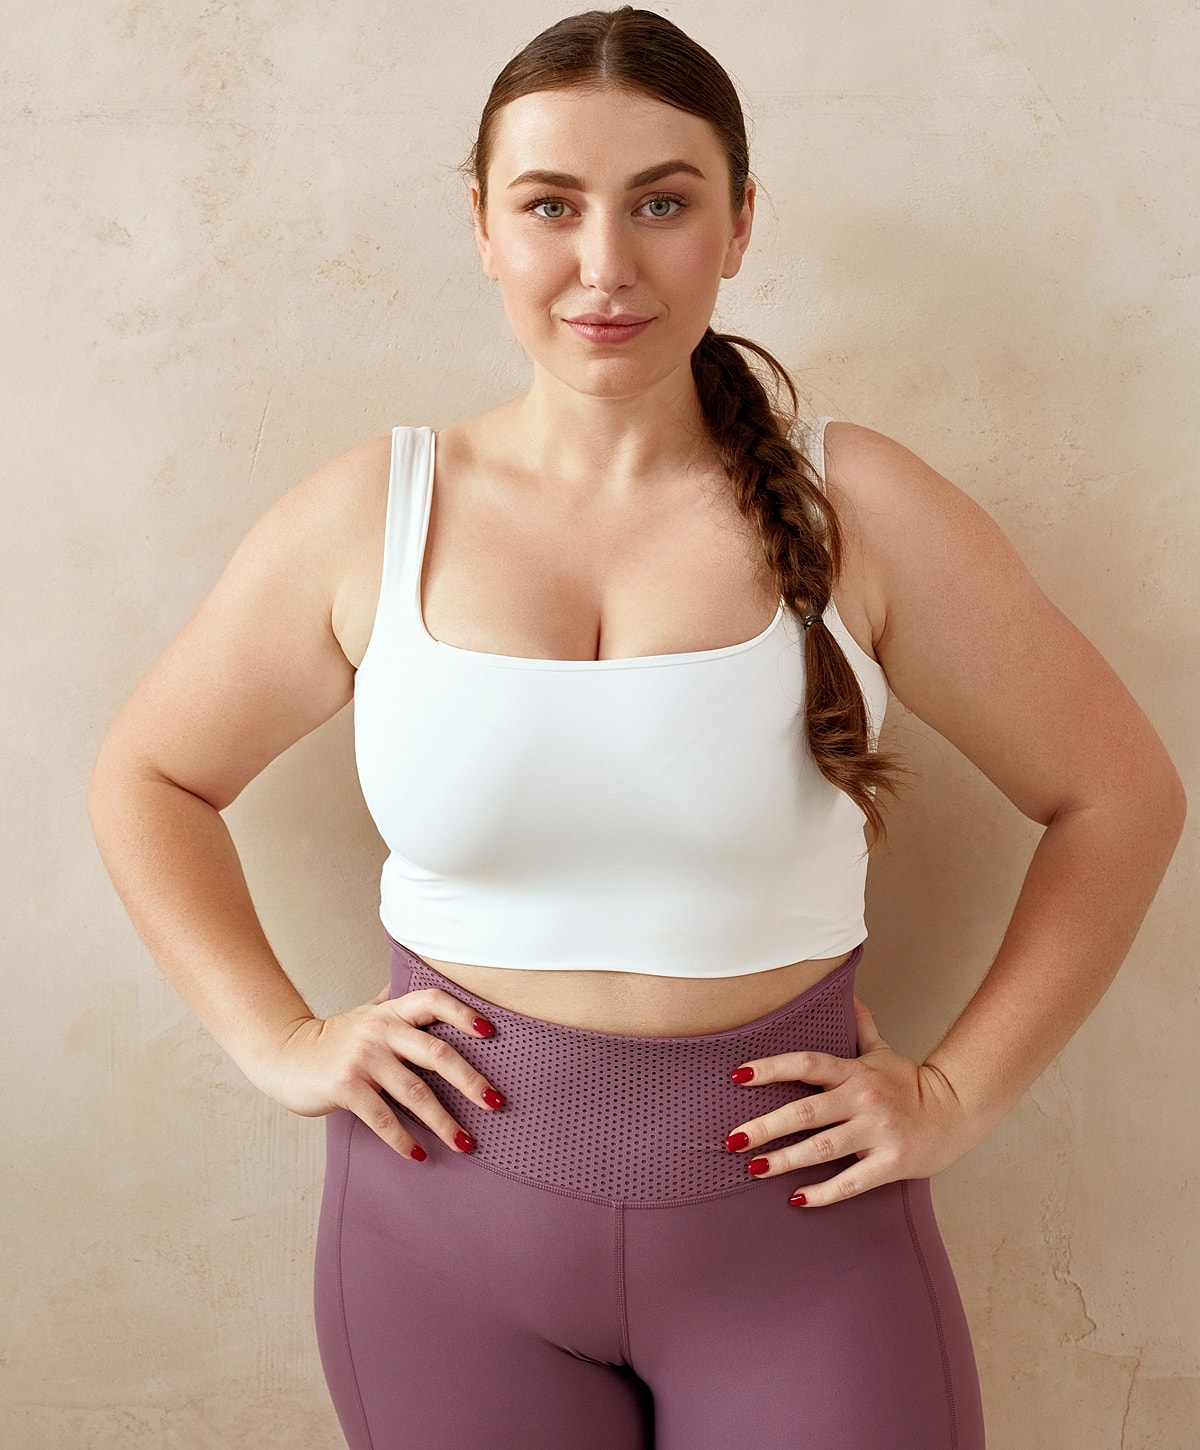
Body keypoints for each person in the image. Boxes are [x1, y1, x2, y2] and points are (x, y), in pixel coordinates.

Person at [87, 8, 1184, 1448]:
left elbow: (1118, 793)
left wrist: (956, 1093)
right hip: (437, 1252)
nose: (606, 266)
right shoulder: (374, 512)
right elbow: (148, 776)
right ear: (481, 224)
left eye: (663, 202)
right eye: (551, 205)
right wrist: (282, 1039)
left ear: (738, 224)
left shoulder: (859, 507)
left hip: (801, 1248)